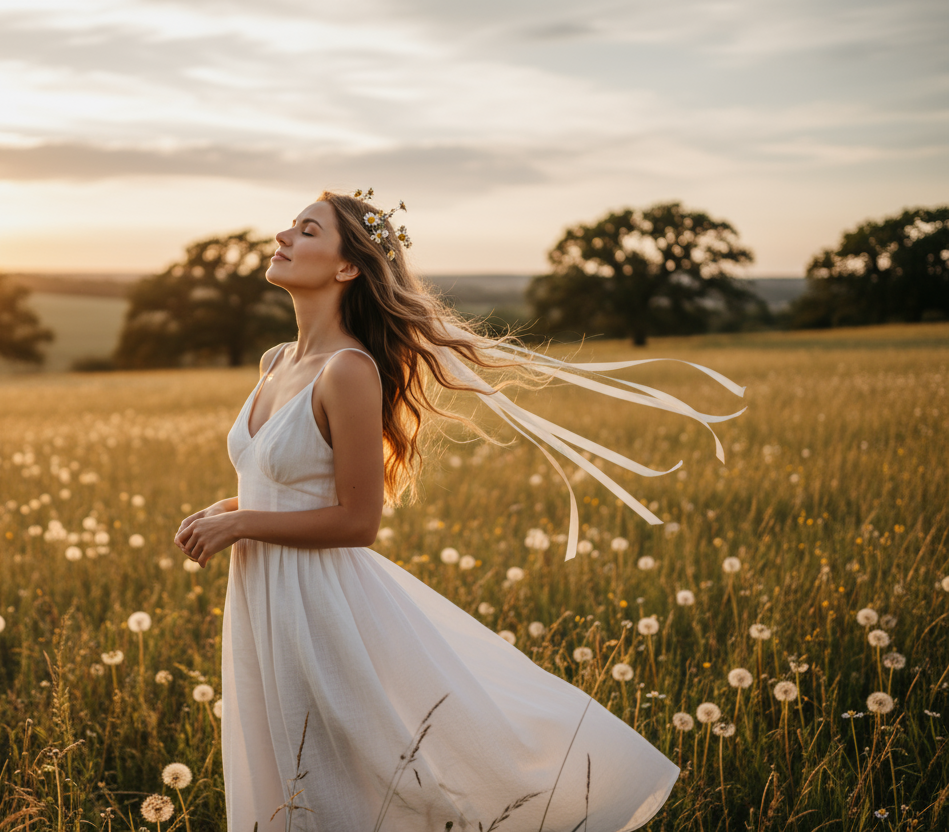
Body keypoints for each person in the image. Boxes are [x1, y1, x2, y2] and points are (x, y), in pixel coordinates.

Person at [173, 189, 743, 831]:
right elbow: (284, 484)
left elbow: (359, 522)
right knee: (283, 767)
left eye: (307, 230)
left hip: (320, 601)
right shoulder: (276, 361)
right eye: (292, 225)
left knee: (345, 777)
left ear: (347, 267)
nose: (282, 235)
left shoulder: (348, 371)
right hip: (264, 595)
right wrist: (224, 510)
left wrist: (242, 522)